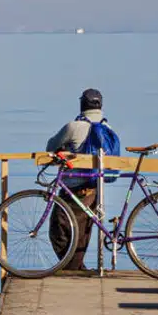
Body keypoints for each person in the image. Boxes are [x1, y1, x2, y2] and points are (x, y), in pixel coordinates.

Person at [45, 88, 113, 270]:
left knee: (58, 230)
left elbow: (50, 146)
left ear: (82, 104)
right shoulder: (107, 128)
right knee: (81, 235)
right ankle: (76, 268)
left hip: (74, 188)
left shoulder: (73, 127)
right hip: (96, 189)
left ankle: (72, 271)